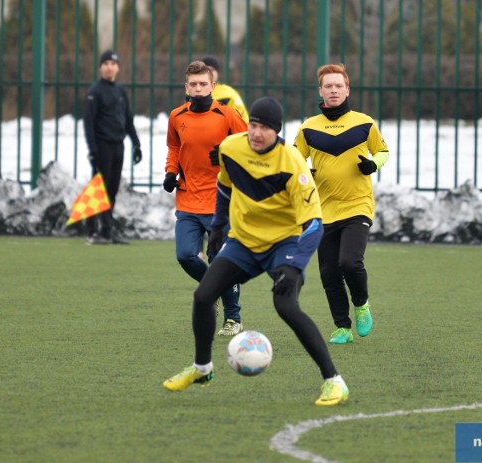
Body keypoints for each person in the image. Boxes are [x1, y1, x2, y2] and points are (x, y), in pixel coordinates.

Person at [163, 97, 349, 406]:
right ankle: (202, 369)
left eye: (264, 128)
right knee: (203, 296)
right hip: (244, 242)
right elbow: (224, 185)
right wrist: (220, 227)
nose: (256, 133)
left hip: (284, 244)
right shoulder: (232, 148)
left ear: (276, 132)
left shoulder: (292, 163)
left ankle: (334, 381)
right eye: (253, 125)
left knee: (285, 305)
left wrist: (295, 265)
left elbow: (314, 225)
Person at [294, 63, 389, 344]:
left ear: (347, 89)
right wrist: (304, 173)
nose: (333, 90)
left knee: (349, 262)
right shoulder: (308, 127)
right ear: (320, 90)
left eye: (338, 86)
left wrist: (373, 164)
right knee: (328, 271)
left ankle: (361, 305)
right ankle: (342, 327)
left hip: (357, 205)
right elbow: (294, 160)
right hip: (322, 210)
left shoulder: (364, 122)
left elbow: (382, 150)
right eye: (328, 86)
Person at [163, 60, 248, 336]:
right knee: (185, 255)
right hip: (187, 200)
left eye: (203, 84)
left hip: (220, 201)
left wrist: (226, 156)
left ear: (213, 86)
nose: (198, 89)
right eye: (193, 85)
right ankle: (209, 291)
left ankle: (233, 319)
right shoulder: (177, 116)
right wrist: (170, 171)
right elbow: (174, 147)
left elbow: (251, 146)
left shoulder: (228, 115)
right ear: (186, 87)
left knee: (218, 259)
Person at [83, 49, 142, 245]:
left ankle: (100, 228)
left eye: (113, 64)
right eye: (105, 63)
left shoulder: (120, 91)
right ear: (100, 67)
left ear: (117, 68)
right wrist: (92, 149)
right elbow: (88, 123)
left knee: (112, 189)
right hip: (102, 146)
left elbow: (127, 119)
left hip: (118, 146)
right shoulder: (95, 91)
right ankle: (100, 231)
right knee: (100, 188)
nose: (109, 67)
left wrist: (136, 143)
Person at [200, 55, 249, 122]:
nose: (208, 73)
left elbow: (243, 120)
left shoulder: (229, 95)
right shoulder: (190, 93)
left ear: (217, 73)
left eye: (212, 70)